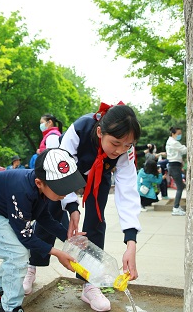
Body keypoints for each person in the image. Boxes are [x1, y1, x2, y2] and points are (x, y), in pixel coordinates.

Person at [25, 102, 142, 311]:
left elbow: (128, 192)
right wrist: (72, 208)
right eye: (115, 143)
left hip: (100, 176)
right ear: (100, 132)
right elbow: (62, 170)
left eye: (127, 145)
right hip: (66, 170)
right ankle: (31, 266)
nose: (120, 150)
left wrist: (131, 241)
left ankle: (90, 284)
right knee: (49, 211)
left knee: (96, 220)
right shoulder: (80, 129)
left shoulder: (125, 151)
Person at [0, 148, 87, 312]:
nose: (65, 194)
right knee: (17, 254)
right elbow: (26, 237)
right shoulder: (23, 191)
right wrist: (58, 253)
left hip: (0, 211)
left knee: (16, 254)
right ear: (39, 183)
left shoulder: (40, 187)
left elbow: (44, 218)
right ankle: (10, 308)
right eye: (61, 188)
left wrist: (68, 237)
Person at [23, 113, 66, 294]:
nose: (40, 125)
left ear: (49, 122)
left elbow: (53, 163)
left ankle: (30, 269)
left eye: (42, 122)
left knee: (51, 228)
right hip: (50, 188)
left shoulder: (53, 137)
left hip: (54, 187)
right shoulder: (50, 137)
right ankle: (30, 269)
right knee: (45, 227)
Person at [166, 126, 187, 216]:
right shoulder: (173, 143)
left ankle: (177, 207)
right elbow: (185, 150)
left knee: (181, 186)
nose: (180, 135)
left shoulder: (171, 141)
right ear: (173, 134)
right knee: (180, 187)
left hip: (174, 166)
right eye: (178, 134)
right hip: (174, 166)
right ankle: (175, 207)